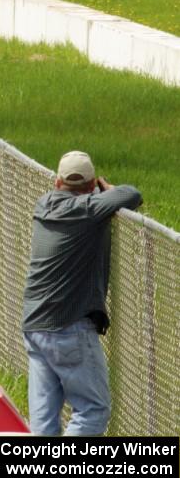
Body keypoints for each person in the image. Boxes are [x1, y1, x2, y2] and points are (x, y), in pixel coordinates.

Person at [22, 150, 142, 436]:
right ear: (91, 187)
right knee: (93, 410)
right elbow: (131, 194)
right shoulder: (89, 209)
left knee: (43, 421)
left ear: (57, 183)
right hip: (69, 326)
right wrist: (108, 191)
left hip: (34, 325)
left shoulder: (43, 205)